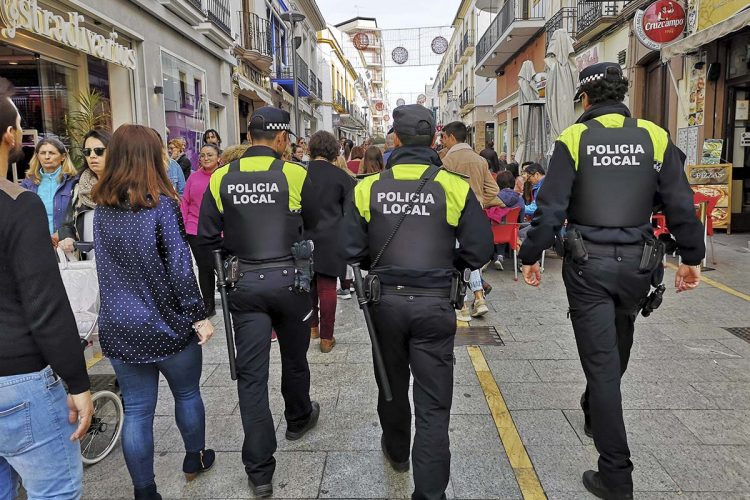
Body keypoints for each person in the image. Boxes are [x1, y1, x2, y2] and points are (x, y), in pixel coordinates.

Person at [519, 62, 705, 500]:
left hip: (588, 266)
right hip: (639, 266)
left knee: (603, 365)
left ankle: (616, 475)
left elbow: (550, 210)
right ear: (623, 95)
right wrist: (692, 257)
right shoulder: (655, 136)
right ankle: (593, 407)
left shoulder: (574, 138)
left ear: (585, 100)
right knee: (616, 347)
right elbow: (681, 201)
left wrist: (531, 256)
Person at [344, 104, 493, 500]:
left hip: (384, 304)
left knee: (390, 382)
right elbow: (480, 248)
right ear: (434, 141)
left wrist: (374, 262)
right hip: (435, 303)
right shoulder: (455, 186)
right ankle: (430, 493)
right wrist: (450, 266)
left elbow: (350, 248)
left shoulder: (367, 186)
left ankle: (396, 452)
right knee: (433, 402)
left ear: (394, 140)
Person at [198, 107, 320, 498]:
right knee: (295, 357)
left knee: (252, 377)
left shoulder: (220, 177)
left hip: (244, 286)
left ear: (250, 135)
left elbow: (205, 238)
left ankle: (260, 470)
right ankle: (298, 418)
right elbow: (317, 224)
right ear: (282, 139)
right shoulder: (296, 174)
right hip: (291, 283)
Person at [93, 125, 215, 500]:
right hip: (166, 322)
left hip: (119, 324)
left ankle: (144, 491)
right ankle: (194, 459)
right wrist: (198, 315)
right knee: (187, 393)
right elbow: (180, 266)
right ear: (152, 157)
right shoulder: (161, 204)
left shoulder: (101, 208)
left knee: (139, 410)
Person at [0, 76, 93, 500]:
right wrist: (77, 382)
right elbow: (45, 304)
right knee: (55, 492)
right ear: (10, 136)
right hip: (18, 378)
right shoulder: (19, 204)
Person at [441, 121, 500, 320]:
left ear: (450, 137)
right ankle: (479, 297)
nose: (442, 141)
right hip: (475, 216)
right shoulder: (479, 160)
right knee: (470, 256)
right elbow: (493, 190)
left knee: (457, 257)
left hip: (452, 215)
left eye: (443, 137)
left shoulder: (446, 160)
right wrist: (480, 202)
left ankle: (463, 304)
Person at [304, 131, 356, 353]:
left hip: (303, 237)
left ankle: (312, 328)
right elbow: (350, 214)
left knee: (307, 285)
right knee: (327, 288)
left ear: (311, 149)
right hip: (332, 237)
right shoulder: (343, 178)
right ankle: (327, 337)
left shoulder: (299, 174)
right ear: (334, 150)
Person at [181, 143, 221, 316]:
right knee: (204, 269)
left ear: (218, 157)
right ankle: (208, 305)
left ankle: (230, 302)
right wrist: (182, 225)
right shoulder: (193, 177)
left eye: (210, 155)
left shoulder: (223, 176)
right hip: (195, 229)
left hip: (220, 230)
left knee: (221, 268)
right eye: (203, 155)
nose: (205, 158)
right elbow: (185, 202)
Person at [58, 129, 111, 255]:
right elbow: (67, 225)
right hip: (87, 261)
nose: (92, 156)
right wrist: (68, 238)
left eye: (98, 151)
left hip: (119, 263)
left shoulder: (125, 188)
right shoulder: (79, 188)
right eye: (87, 152)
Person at [20, 137, 78, 246]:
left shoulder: (74, 182)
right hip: (35, 244)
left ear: (63, 157)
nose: (47, 157)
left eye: (51, 153)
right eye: (42, 153)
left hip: (66, 244)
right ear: (37, 156)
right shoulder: (27, 184)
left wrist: (61, 235)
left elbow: (79, 217)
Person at [486, 170, 525, 270]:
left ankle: (499, 256)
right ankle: (520, 262)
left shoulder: (494, 198)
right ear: (513, 182)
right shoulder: (519, 199)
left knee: (500, 225)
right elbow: (520, 218)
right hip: (512, 232)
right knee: (509, 227)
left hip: (493, 232)